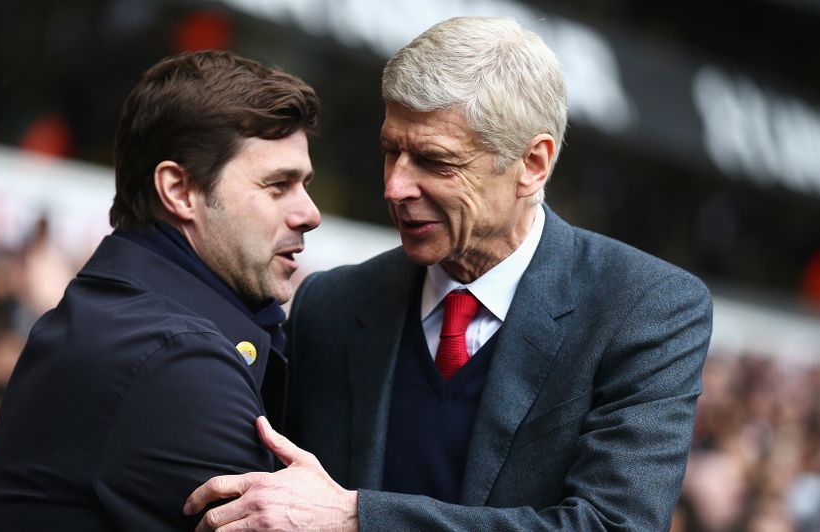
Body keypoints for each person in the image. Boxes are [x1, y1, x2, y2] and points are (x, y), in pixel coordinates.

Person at [185, 16, 713, 531]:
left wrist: (357, 519)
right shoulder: (332, 305)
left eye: (434, 162)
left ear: (533, 164)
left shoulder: (646, 309)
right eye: (390, 151)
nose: (395, 187)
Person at [0, 50, 321, 530]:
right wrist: (354, 516)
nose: (309, 212)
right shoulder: (177, 361)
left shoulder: (124, 317)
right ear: (179, 191)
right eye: (278, 185)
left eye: (304, 183)